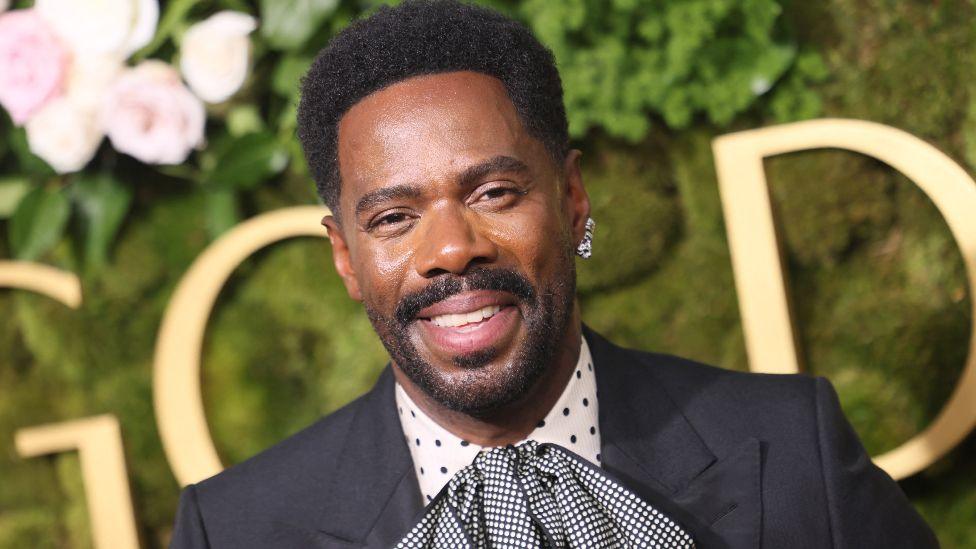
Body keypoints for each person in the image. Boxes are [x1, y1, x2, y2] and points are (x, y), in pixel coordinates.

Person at [170, 1, 938, 547]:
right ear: (344, 255)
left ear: (572, 199)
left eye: (493, 193)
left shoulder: (791, 448)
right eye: (394, 217)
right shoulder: (237, 528)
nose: (451, 249)